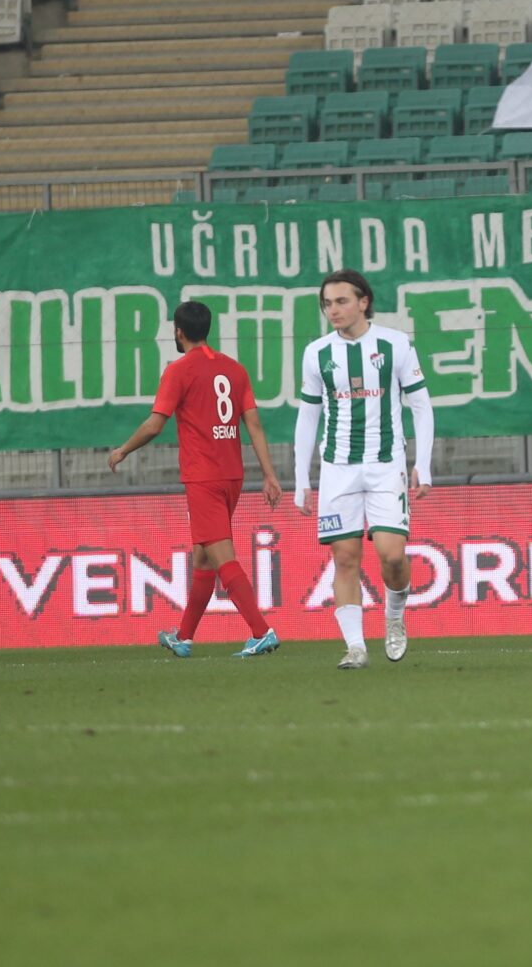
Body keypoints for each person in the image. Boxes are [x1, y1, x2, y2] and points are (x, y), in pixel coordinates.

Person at [109, 299, 284, 657]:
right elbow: (253, 424)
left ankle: (261, 630)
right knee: (204, 557)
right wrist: (268, 474)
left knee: (222, 556)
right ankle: (184, 637)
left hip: (203, 477)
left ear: (178, 332)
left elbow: (156, 423)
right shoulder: (235, 370)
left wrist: (124, 449)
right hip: (232, 475)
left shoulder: (179, 371)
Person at [294, 270, 433, 671]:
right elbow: (308, 418)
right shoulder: (317, 353)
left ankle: (394, 616)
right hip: (337, 468)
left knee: (392, 555)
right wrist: (302, 478)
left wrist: (421, 465)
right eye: (327, 303)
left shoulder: (395, 344)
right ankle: (355, 646)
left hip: (385, 464)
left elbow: (422, 407)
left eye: (340, 301)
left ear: (363, 302)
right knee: (345, 557)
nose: (332, 310)